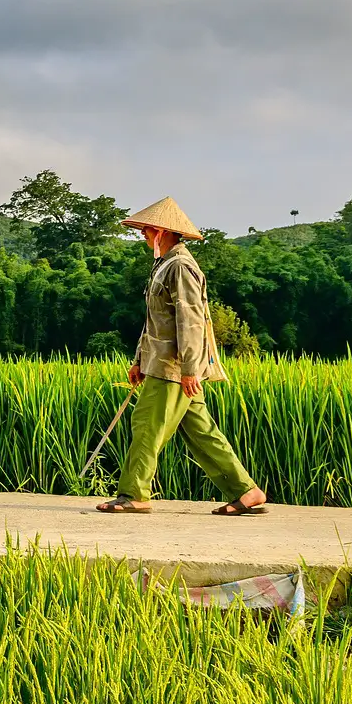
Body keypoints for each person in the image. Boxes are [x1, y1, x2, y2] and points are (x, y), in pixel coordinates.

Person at [94, 197, 269, 515]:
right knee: (201, 432)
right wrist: (139, 361)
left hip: (174, 368)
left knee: (147, 423)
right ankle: (247, 491)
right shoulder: (164, 265)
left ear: (161, 231)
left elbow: (190, 320)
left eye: (147, 230)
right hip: (163, 362)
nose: (143, 236)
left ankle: (134, 494)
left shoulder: (181, 266)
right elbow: (155, 322)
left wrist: (189, 369)